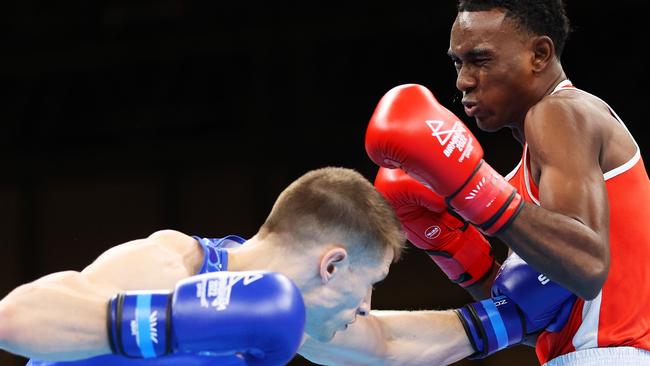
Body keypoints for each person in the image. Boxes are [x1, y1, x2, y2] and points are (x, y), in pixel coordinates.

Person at [0, 165, 579, 366]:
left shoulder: (291, 321)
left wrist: (505, 319)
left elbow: (389, 346)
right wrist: (174, 322)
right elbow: (15, 317)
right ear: (331, 264)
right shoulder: (174, 262)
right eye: (367, 287)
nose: (364, 309)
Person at [363, 0, 650, 365]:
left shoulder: (560, 112)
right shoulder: (526, 174)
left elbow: (588, 267)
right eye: (457, 62)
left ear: (539, 55)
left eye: (480, 60)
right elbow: (534, 318)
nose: (463, 80)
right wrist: (455, 248)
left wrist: (473, 189)